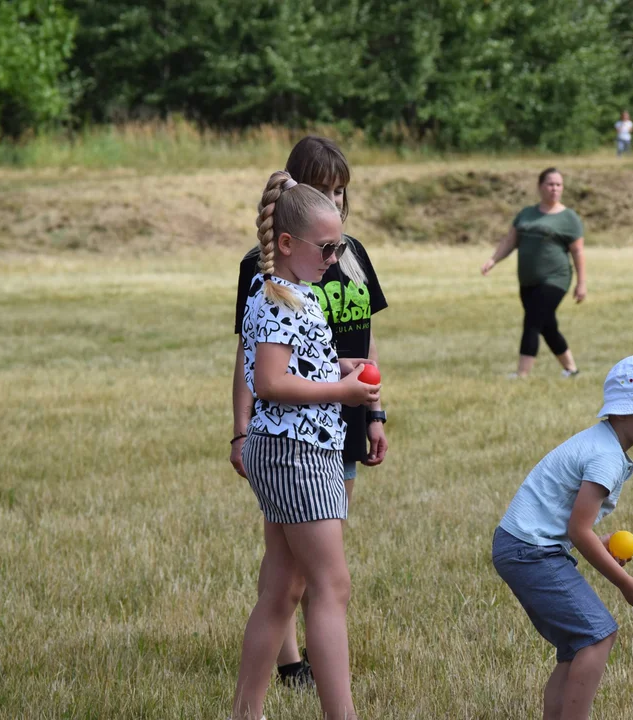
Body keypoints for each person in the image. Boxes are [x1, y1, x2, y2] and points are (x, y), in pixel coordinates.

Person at [231, 137, 388, 689]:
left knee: (282, 590)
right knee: (331, 585)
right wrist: (341, 394)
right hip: (298, 451)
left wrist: (344, 371)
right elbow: (269, 379)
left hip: (304, 445)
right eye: (327, 249)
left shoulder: (297, 290)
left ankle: (247, 710)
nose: (334, 258)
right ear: (290, 239)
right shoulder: (277, 292)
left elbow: (299, 360)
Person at [492, 355, 633, 720]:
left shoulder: (603, 443)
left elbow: (572, 526)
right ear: (623, 412)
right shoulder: (606, 457)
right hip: (529, 551)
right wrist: (627, 584)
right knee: (597, 635)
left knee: (576, 646)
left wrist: (599, 543)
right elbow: (578, 530)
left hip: (526, 546)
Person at [481, 168, 586, 379]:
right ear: (540, 187)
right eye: (550, 184)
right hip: (528, 280)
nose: (554, 189)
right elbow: (510, 241)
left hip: (556, 278)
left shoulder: (569, 218)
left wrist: (581, 283)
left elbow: (578, 251)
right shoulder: (526, 214)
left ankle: (522, 373)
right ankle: (571, 369)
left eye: (558, 184)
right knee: (547, 325)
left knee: (532, 321)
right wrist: (493, 260)